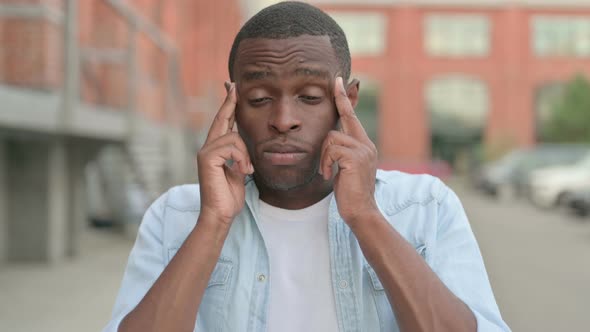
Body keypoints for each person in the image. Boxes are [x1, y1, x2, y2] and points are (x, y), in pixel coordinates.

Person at [104, 2, 510, 331]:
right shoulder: (176, 215)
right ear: (232, 104)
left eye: (311, 97)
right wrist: (212, 222)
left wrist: (365, 216)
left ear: (346, 100)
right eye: (260, 97)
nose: (283, 119)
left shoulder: (425, 207)